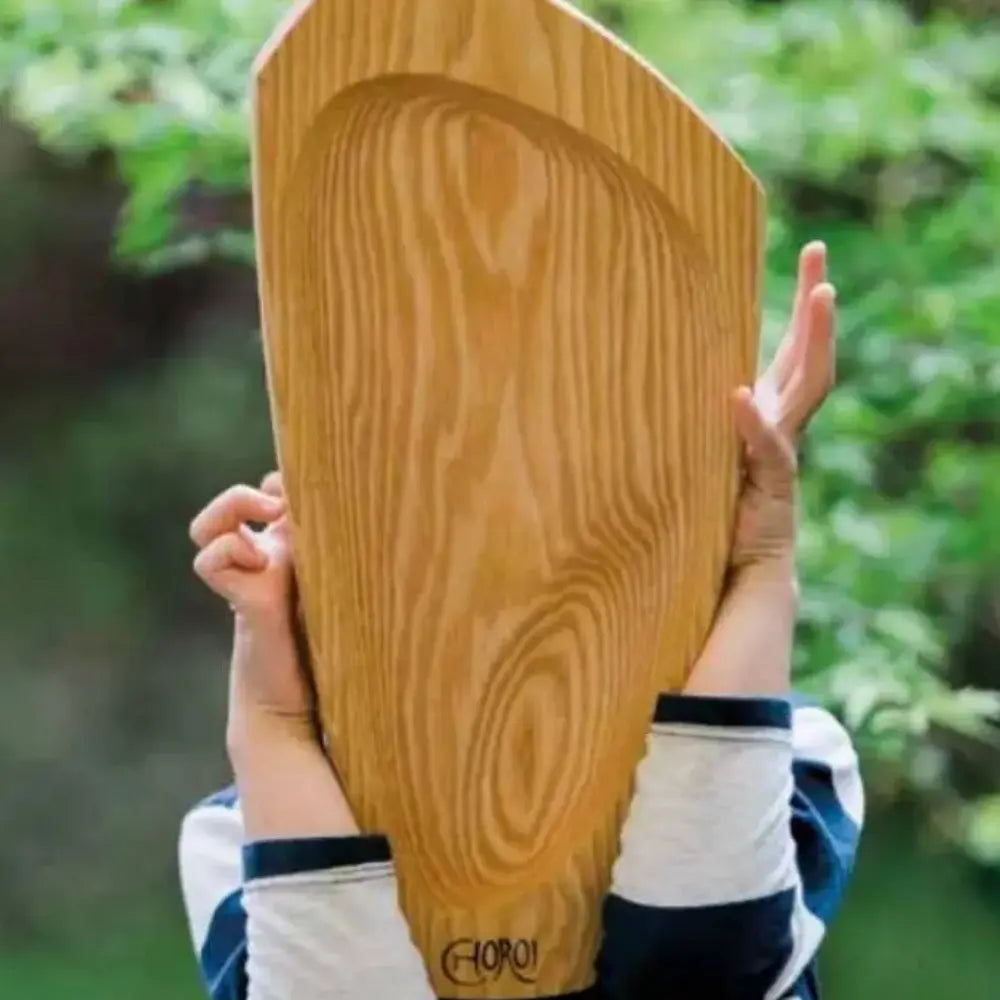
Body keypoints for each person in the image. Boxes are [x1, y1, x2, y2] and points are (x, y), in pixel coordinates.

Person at [178, 241, 862, 1000]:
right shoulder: (232, 835)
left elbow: (699, 967)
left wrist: (759, 557)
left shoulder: (803, 754)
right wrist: (273, 704)